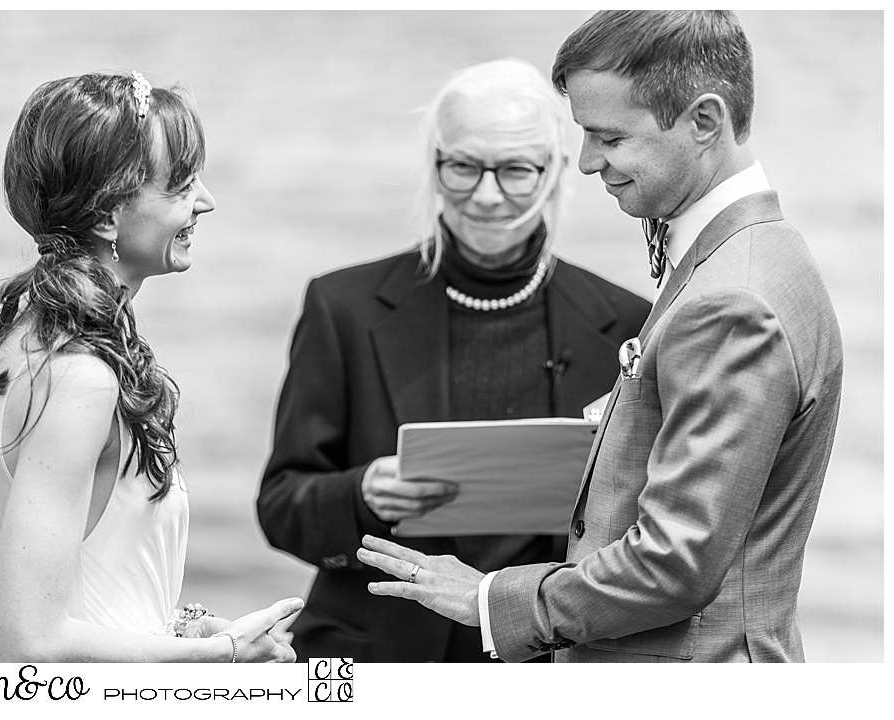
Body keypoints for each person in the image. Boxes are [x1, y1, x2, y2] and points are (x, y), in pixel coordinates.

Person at [359, 10, 844, 664]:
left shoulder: (730, 298)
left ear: (704, 121)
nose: (586, 163)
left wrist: (487, 598)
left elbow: (674, 565)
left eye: (608, 137)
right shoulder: (760, 253)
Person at [257, 58, 651, 662]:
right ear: (435, 165)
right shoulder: (343, 306)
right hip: (372, 654)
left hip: (542, 661)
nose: (488, 195)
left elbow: (645, 531)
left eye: (516, 170)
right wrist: (362, 493)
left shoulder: (627, 324)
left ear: (556, 170)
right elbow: (282, 506)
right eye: (464, 166)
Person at [0, 70, 301, 662]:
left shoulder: (10, 347)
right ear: (107, 215)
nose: (206, 200)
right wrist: (219, 655)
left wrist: (177, 627)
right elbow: (27, 643)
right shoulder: (79, 379)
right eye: (181, 185)